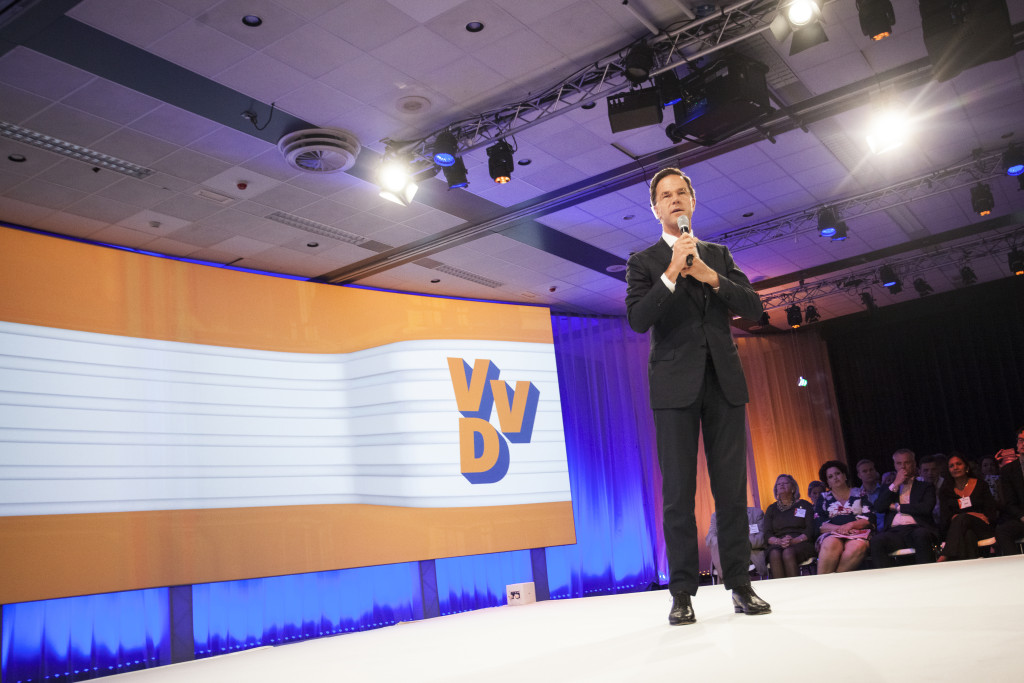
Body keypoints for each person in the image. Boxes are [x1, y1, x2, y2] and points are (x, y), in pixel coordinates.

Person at [625, 167, 768, 625]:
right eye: (665, 195)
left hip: (724, 381)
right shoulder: (644, 261)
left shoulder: (718, 255)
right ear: (655, 209)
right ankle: (682, 593)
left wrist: (709, 276)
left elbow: (753, 306)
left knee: (731, 491)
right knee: (678, 496)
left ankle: (740, 585)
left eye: (681, 193)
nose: (674, 200)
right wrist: (672, 270)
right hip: (673, 387)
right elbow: (638, 319)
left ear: (692, 200)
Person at [870, 449, 939, 567]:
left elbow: (925, 508)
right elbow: (879, 507)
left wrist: (897, 507)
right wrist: (895, 484)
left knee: (921, 535)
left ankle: (927, 573)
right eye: (899, 463)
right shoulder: (889, 488)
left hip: (917, 528)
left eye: (907, 463)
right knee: (877, 541)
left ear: (914, 464)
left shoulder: (925, 486)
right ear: (894, 465)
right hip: (894, 532)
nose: (903, 467)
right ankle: (886, 577)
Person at [813, 460, 872, 574]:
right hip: (831, 533)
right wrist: (841, 529)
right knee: (831, 543)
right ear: (828, 482)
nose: (835, 478)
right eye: (830, 476)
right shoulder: (824, 497)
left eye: (838, 473)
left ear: (844, 475)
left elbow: (868, 518)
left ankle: (835, 579)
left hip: (857, 532)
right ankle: (822, 581)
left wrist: (850, 525)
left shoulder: (860, 493)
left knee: (857, 546)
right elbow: (820, 524)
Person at [936, 453, 997, 561]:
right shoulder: (945, 490)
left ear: (966, 467)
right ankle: (973, 565)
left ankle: (946, 554)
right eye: (951, 466)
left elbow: (991, 512)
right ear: (948, 470)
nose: (955, 467)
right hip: (958, 531)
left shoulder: (981, 485)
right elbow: (945, 518)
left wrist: (963, 516)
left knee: (962, 518)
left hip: (982, 527)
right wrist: (970, 514)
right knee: (968, 534)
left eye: (958, 464)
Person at [763, 474, 815, 578]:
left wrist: (794, 541)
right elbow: (767, 533)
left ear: (793, 488)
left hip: (801, 542)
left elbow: (810, 529)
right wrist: (779, 541)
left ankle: (795, 586)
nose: (782, 485)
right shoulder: (771, 509)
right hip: (777, 542)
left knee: (788, 553)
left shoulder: (804, 505)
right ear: (776, 490)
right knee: (774, 554)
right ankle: (781, 587)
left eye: (785, 483)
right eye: (779, 484)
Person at [706, 508, 767, 580]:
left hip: (749, 553)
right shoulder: (716, 516)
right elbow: (710, 538)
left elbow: (762, 538)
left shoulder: (756, 513)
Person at [995, 426, 1024, 556]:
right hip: (1022, 517)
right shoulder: (1008, 470)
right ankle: (1016, 564)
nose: (1023, 444)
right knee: (1002, 531)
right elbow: (1010, 502)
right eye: (1021, 440)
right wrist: (1022, 516)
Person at [851, 458, 884, 531]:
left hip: (886, 527)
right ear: (859, 475)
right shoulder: (856, 495)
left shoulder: (884, 490)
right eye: (865, 471)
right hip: (867, 529)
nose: (869, 473)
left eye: (871, 470)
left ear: (875, 471)